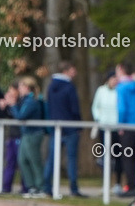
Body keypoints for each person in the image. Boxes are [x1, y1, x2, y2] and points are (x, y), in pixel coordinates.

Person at [45, 61, 84, 197]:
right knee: (71, 158)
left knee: (52, 158)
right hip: (70, 127)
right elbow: (74, 108)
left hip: (56, 126)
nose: (75, 73)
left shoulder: (51, 87)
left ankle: (47, 186)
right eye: (73, 69)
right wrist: (78, 124)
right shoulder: (69, 87)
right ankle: (73, 188)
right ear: (67, 71)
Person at [7, 77, 45, 198]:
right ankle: (31, 187)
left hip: (33, 134)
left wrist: (12, 105)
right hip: (26, 134)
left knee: (34, 161)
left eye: (21, 86)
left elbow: (20, 116)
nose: (19, 89)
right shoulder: (25, 100)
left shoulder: (32, 101)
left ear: (27, 88)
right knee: (22, 160)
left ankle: (40, 187)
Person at [115, 62, 135, 196]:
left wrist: (120, 124)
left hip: (127, 125)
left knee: (127, 157)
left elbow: (122, 108)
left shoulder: (121, 87)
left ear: (121, 70)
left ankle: (132, 186)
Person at [91, 69, 121, 191]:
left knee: (117, 155)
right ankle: (106, 182)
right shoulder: (101, 91)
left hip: (117, 128)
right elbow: (95, 106)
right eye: (113, 78)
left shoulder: (120, 91)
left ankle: (118, 182)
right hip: (104, 127)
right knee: (104, 155)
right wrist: (99, 118)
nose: (114, 81)